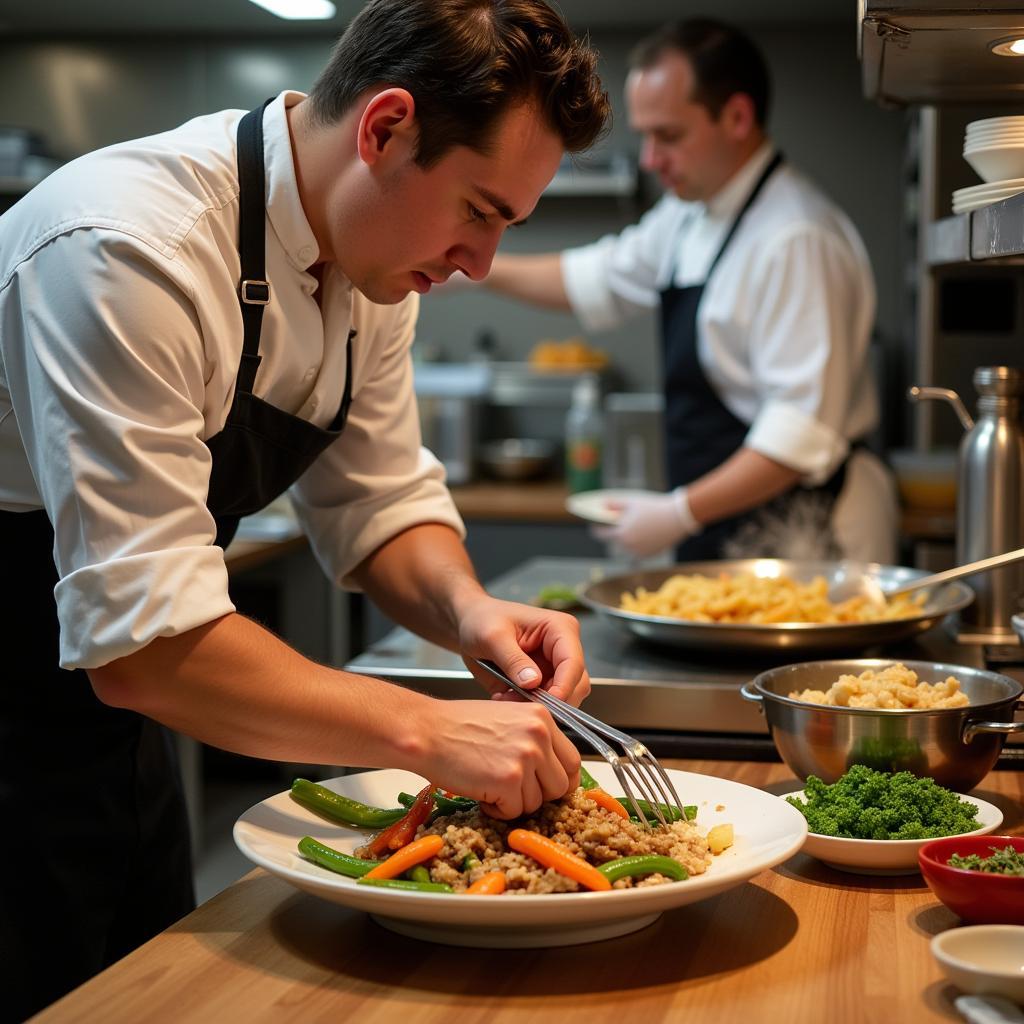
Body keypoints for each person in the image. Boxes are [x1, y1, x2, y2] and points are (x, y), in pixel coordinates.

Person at [0, 1, 610, 1017]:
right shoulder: (125, 245)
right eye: (479, 210)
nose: (481, 264)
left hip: (116, 729)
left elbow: (377, 502)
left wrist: (468, 611)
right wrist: (430, 731)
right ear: (385, 129)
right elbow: (145, 647)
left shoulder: (376, 274)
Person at [477, 17, 897, 564]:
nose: (651, 159)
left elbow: (798, 439)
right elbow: (595, 279)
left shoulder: (796, 239)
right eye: (646, 135)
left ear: (738, 117)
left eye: (668, 135)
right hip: (727, 526)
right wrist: (472, 268)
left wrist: (678, 513)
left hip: (812, 539)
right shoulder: (687, 215)